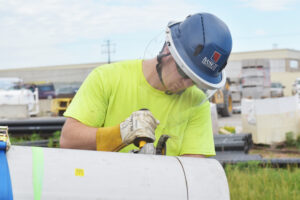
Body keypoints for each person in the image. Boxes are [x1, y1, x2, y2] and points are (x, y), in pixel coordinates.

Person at [60, 12, 232, 157]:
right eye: (184, 73)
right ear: (167, 50)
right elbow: (68, 140)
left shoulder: (195, 103)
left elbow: (191, 170)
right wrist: (121, 133)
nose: (187, 85)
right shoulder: (107, 78)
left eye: (196, 81)